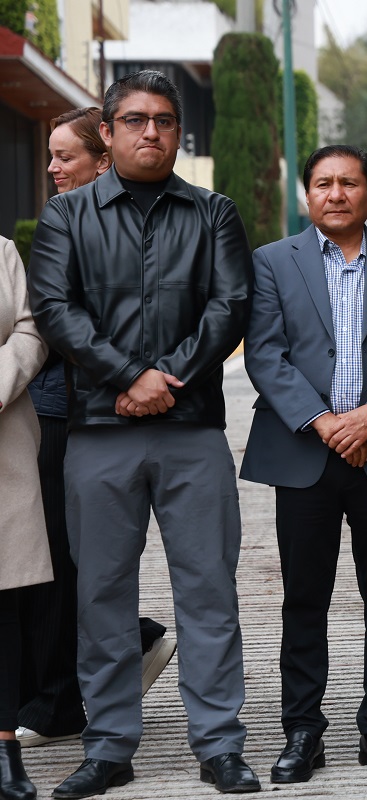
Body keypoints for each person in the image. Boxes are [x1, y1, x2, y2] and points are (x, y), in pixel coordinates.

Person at [27, 70, 260, 796]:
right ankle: (108, 747)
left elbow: (230, 306)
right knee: (100, 595)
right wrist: (130, 376)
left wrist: (167, 380)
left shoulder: (215, 213)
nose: (151, 131)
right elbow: (55, 310)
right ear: (108, 131)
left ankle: (219, 745)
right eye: (135, 119)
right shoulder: (66, 217)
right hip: (100, 432)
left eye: (164, 120)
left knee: (208, 591)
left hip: (193, 432)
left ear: (178, 132)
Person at [241, 145, 367, 783]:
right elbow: (264, 353)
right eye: (323, 183)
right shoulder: (273, 261)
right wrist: (325, 422)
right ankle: (302, 731)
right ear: (307, 195)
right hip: (305, 454)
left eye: (349, 183)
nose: (336, 193)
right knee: (304, 599)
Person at [18, 107, 176, 752]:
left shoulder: (118, 228)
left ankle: (68, 694)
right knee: (53, 558)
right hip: (51, 409)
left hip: (80, 414)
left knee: (62, 560)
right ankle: (105, 661)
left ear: (103, 160)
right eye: (51, 155)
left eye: (66, 156)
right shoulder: (60, 223)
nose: (53, 167)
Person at [0, 234, 51, 800]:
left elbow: (31, 329)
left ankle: (3, 748)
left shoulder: (1, 252)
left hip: (2, 444)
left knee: (1, 604)